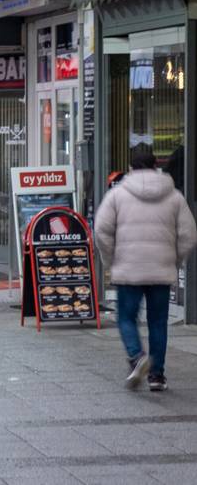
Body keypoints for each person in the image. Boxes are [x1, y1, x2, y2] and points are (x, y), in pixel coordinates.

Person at [95, 146, 197, 391]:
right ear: (155, 166)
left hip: (128, 270)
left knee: (126, 318)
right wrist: (174, 259)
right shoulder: (174, 195)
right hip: (161, 270)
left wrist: (111, 260)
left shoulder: (117, 195)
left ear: (131, 168)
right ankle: (157, 376)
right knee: (158, 322)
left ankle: (137, 357)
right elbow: (188, 234)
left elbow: (101, 230)